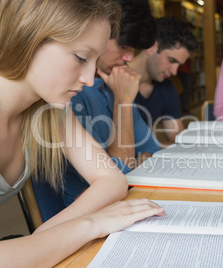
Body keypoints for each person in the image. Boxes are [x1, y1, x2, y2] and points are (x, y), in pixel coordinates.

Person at [0, 0, 164, 267]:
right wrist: (91, 223)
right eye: (81, 57)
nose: (90, 78)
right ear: (29, 35)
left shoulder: (48, 107)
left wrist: (39, 243)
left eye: (94, 61)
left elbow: (112, 180)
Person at [62, 0, 160, 207]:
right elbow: (119, 174)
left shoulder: (112, 84)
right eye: (124, 46)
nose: (129, 58)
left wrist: (134, 161)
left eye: (135, 50)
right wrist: (123, 102)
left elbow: (154, 149)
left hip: (118, 207)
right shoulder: (72, 91)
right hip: (82, 223)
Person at [129, 16, 199, 144]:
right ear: (152, 47)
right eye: (171, 61)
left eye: (179, 65)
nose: (174, 71)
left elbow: (177, 139)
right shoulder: (111, 82)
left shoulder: (166, 87)